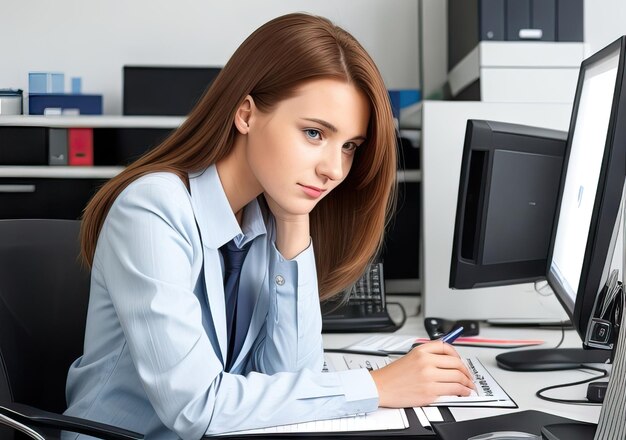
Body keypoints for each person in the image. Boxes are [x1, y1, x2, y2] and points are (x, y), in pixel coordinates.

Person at [64, 12, 474, 439]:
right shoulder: (153, 209)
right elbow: (196, 408)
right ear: (245, 114)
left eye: (349, 146)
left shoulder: (264, 216)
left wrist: (294, 222)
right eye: (314, 134)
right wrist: (378, 385)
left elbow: (294, 373)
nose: (334, 169)